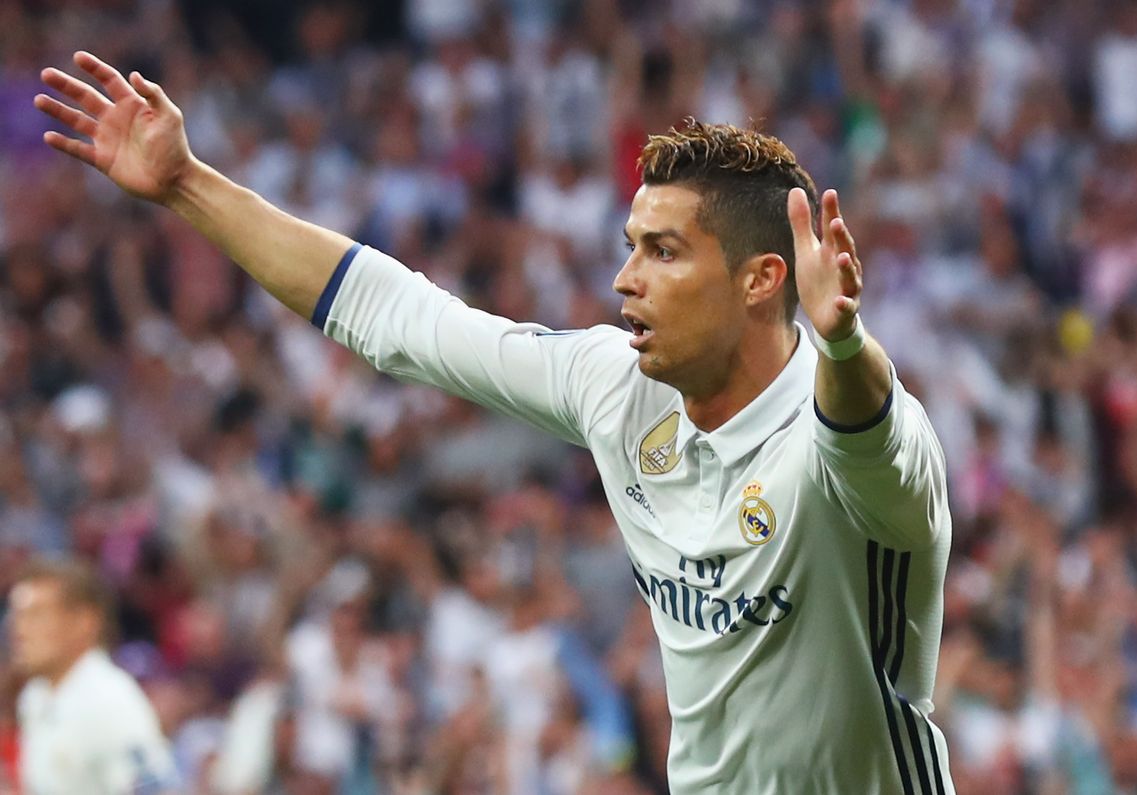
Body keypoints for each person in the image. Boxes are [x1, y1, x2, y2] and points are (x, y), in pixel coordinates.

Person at [34, 51, 954, 794]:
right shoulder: (616, 387)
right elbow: (403, 323)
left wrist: (841, 344)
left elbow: (864, 435)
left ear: (761, 279)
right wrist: (189, 183)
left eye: (662, 252)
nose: (624, 279)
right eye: (630, 246)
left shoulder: (861, 439)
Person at [9, 559, 178, 794]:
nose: (19, 630)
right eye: (17, 615)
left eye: (36, 614)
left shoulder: (109, 701)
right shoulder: (36, 695)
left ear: (84, 622)